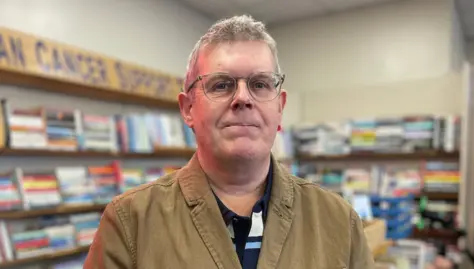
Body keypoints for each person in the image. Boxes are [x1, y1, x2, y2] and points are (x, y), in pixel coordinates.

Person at [84, 14, 374, 269]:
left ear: (280, 108)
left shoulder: (339, 222)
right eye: (222, 84)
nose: (243, 98)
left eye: (260, 84)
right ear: (188, 109)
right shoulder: (130, 222)